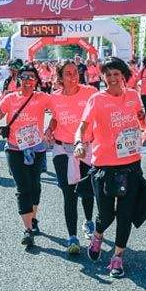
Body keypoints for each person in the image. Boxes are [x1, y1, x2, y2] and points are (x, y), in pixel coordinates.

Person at [74, 57, 146, 278]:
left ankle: (117, 257)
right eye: (108, 74)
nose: (113, 78)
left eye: (116, 73)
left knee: (125, 214)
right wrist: (79, 143)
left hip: (131, 163)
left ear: (123, 75)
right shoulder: (96, 99)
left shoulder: (133, 96)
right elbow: (83, 127)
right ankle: (98, 235)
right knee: (106, 214)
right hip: (104, 165)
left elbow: (142, 122)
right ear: (103, 77)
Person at [0, 65, 53, 245]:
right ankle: (28, 229)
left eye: (32, 77)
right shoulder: (10, 98)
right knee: (23, 188)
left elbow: (59, 112)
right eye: (25, 77)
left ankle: (33, 218)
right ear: (19, 79)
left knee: (35, 186)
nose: (28, 81)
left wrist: (50, 129)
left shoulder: (42, 98)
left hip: (36, 149)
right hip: (15, 148)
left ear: (37, 81)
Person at [45, 59, 97, 255]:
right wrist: (50, 129)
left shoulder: (90, 93)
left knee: (87, 189)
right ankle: (72, 237)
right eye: (68, 73)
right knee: (69, 193)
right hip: (62, 150)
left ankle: (89, 221)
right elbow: (56, 118)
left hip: (85, 149)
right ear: (60, 77)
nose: (73, 76)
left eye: (75, 72)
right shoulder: (55, 97)